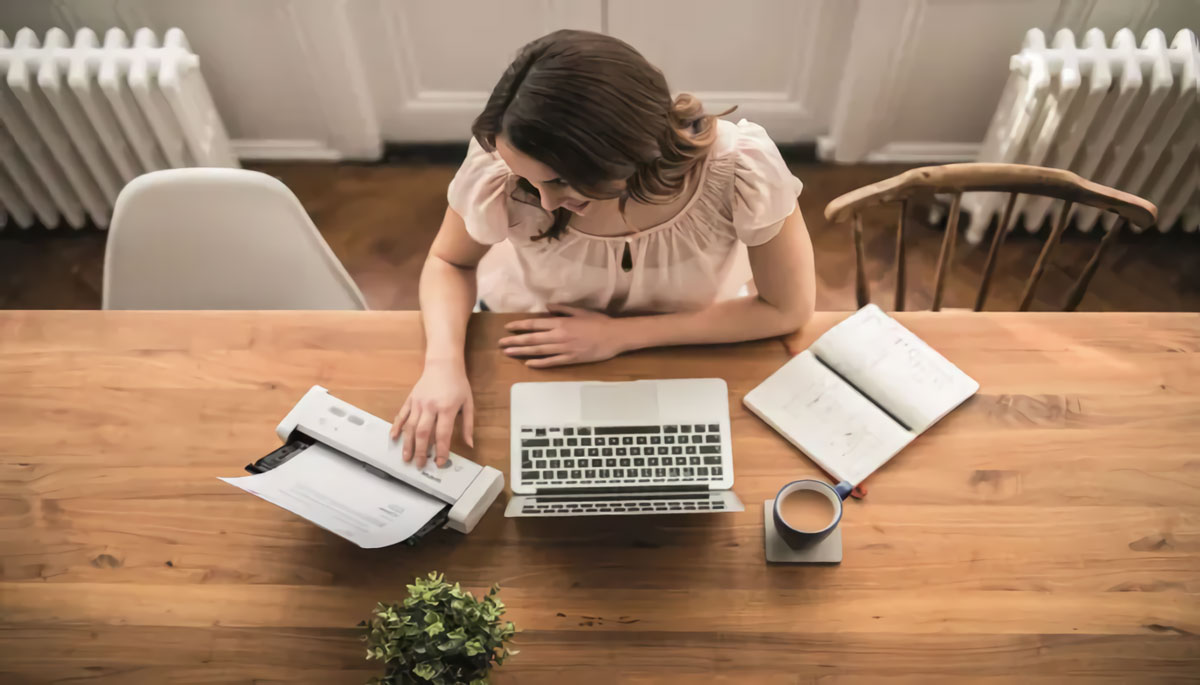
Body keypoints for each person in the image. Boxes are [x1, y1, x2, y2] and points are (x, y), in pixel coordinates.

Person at [391, 29, 816, 467]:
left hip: (693, 343)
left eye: (559, 180)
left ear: (628, 148)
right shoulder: (502, 166)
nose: (545, 201)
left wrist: (618, 336)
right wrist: (442, 365)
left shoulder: (741, 168)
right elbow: (447, 261)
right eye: (529, 180)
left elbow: (788, 309)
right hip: (539, 342)